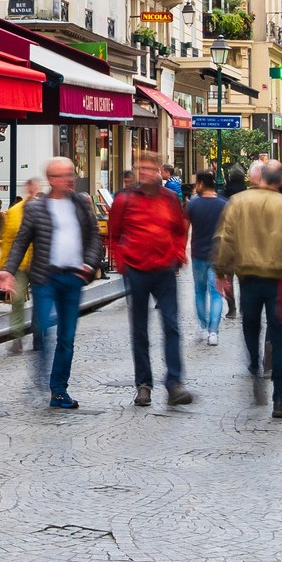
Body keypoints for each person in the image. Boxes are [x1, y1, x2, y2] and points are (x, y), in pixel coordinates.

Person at [212, 158, 282, 419]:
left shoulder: (238, 203)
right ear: (280, 181)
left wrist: (221, 270)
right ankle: (279, 399)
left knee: (251, 327)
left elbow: (225, 239)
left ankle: (255, 367)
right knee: (280, 339)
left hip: (248, 278)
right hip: (280, 280)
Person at [0, 155, 103, 409]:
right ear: (51, 180)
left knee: (67, 337)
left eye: (71, 174)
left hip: (73, 277)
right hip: (45, 277)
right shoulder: (36, 208)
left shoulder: (80, 204)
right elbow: (21, 241)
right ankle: (41, 377)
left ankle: (58, 390)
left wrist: (89, 265)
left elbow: (94, 237)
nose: (70, 179)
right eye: (64, 175)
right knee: (43, 327)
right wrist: (8, 270)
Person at [108, 150, 195, 407]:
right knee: (140, 330)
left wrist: (177, 253)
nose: (143, 172)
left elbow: (180, 229)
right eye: (139, 168)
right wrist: (122, 263)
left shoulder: (169, 198)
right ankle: (143, 385)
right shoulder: (124, 199)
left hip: (164, 269)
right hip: (136, 270)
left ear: (159, 170)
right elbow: (114, 233)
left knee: (171, 325)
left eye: (148, 167)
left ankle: (174, 383)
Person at [0, 176, 42, 353]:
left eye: (35, 189)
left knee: (40, 299)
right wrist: (4, 267)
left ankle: (39, 336)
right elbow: (8, 240)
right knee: (17, 299)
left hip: (39, 263)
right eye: (30, 188)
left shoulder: (44, 209)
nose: (32, 191)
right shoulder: (14, 212)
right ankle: (17, 336)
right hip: (20, 264)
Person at [185, 170, 228, 345]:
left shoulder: (192, 206)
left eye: (196, 183)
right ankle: (213, 332)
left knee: (200, 291)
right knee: (217, 293)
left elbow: (184, 229)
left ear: (201, 184)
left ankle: (202, 327)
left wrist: (182, 251)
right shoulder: (224, 205)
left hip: (198, 254)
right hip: (218, 255)